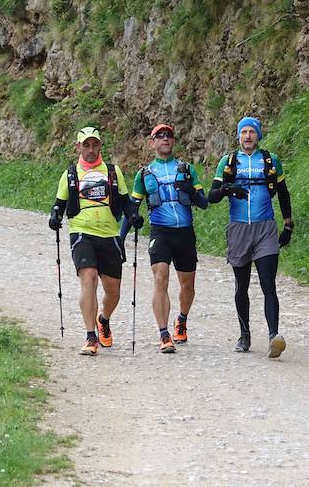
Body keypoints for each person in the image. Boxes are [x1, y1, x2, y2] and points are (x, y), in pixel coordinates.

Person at [48, 126, 141, 356]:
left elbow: (125, 201)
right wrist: (55, 216)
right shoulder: (70, 174)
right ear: (78, 147)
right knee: (88, 279)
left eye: (95, 145)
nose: (91, 150)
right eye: (86, 145)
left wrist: (133, 215)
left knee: (114, 291)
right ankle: (91, 337)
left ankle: (103, 319)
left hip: (109, 234)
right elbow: (59, 203)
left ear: (100, 146)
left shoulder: (112, 171)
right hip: (81, 232)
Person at [208, 116, 293, 358]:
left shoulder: (270, 160)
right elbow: (211, 196)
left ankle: (273, 336)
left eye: (252, 132)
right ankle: (244, 335)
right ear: (238, 136)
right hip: (238, 229)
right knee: (241, 286)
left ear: (258, 135)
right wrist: (226, 188)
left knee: (268, 284)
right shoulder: (228, 162)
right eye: (243, 132)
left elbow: (284, 194)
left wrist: (288, 225)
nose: (247, 136)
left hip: (265, 228)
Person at [120, 123, 208, 354]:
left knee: (187, 285)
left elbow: (204, 203)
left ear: (173, 141)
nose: (165, 139)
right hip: (161, 232)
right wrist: (121, 239)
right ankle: (163, 333)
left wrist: (190, 190)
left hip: (185, 232)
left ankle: (182, 319)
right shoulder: (144, 173)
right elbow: (132, 207)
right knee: (161, 277)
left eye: (168, 135)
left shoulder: (186, 169)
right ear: (152, 144)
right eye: (160, 136)